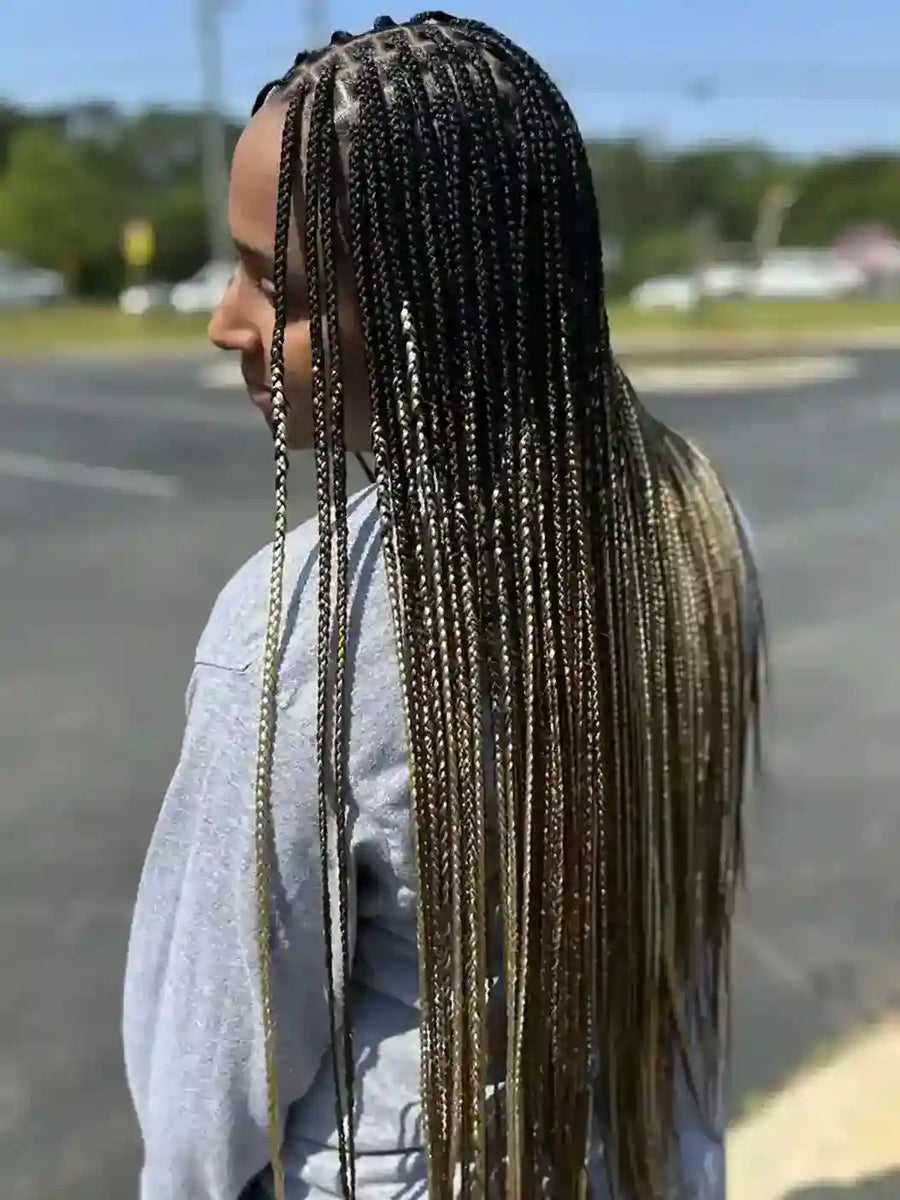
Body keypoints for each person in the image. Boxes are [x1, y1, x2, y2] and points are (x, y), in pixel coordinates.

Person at [122, 13, 763, 1200]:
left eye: (281, 285)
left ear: (433, 304)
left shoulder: (300, 620)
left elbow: (211, 1078)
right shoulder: (699, 522)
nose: (228, 322)